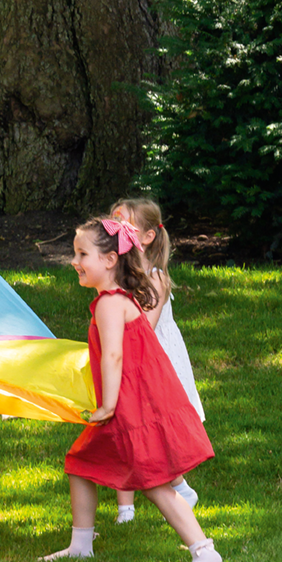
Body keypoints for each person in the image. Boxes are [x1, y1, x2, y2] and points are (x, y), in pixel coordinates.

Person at [42, 218, 221, 562]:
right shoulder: (117, 300)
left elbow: (113, 357)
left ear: (109, 261)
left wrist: (107, 406)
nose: (75, 261)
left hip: (131, 408)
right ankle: (80, 544)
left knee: (154, 483)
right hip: (133, 404)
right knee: (80, 463)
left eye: (82, 254)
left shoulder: (111, 303)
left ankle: (203, 550)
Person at [110, 196, 205, 521]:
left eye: (123, 225)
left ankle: (180, 488)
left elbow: (143, 329)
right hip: (125, 357)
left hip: (151, 360)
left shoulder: (154, 277)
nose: (114, 230)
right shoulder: (120, 275)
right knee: (122, 424)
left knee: (150, 432)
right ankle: (126, 507)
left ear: (147, 236)